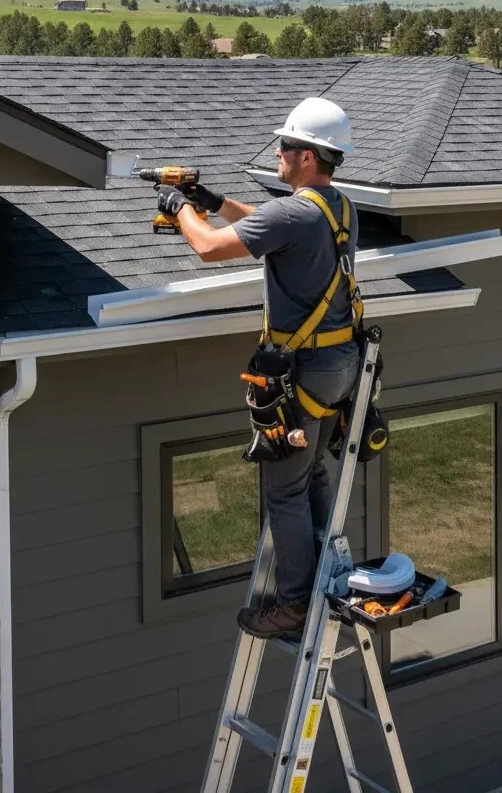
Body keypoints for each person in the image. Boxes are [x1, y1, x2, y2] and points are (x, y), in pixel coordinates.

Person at [155, 97, 362, 637]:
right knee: (313, 471)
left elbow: (206, 248)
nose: (279, 151)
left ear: (310, 157)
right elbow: (267, 225)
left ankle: (294, 604)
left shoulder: (294, 211)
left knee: (285, 490)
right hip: (339, 363)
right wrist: (214, 200)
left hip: (306, 369)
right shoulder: (336, 207)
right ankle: (324, 582)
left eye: (287, 146)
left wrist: (180, 208)